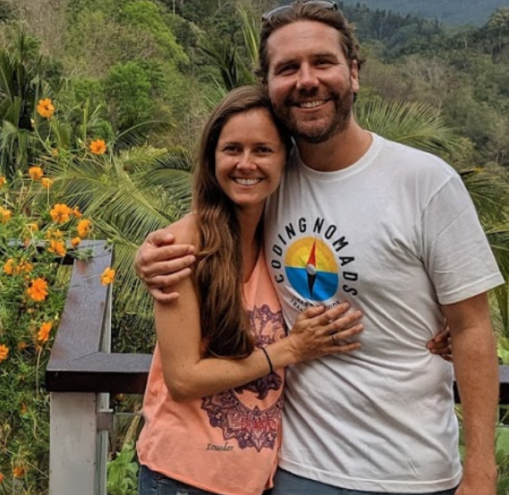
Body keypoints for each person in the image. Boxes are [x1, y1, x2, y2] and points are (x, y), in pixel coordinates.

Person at [136, 0, 504, 495]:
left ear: (353, 74)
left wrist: (481, 470)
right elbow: (207, 222)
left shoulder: (425, 181)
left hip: (415, 470)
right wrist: (152, 254)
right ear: (270, 86)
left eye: (322, 62)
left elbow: (473, 326)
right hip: (294, 470)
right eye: (287, 68)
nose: (306, 80)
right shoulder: (270, 180)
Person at [136, 85, 367, 495]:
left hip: (254, 480)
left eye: (262, 150)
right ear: (212, 158)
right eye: (232, 150)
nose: (246, 164)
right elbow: (184, 379)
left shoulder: (282, 240)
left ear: (286, 159)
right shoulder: (185, 245)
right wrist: (291, 350)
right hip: (183, 478)